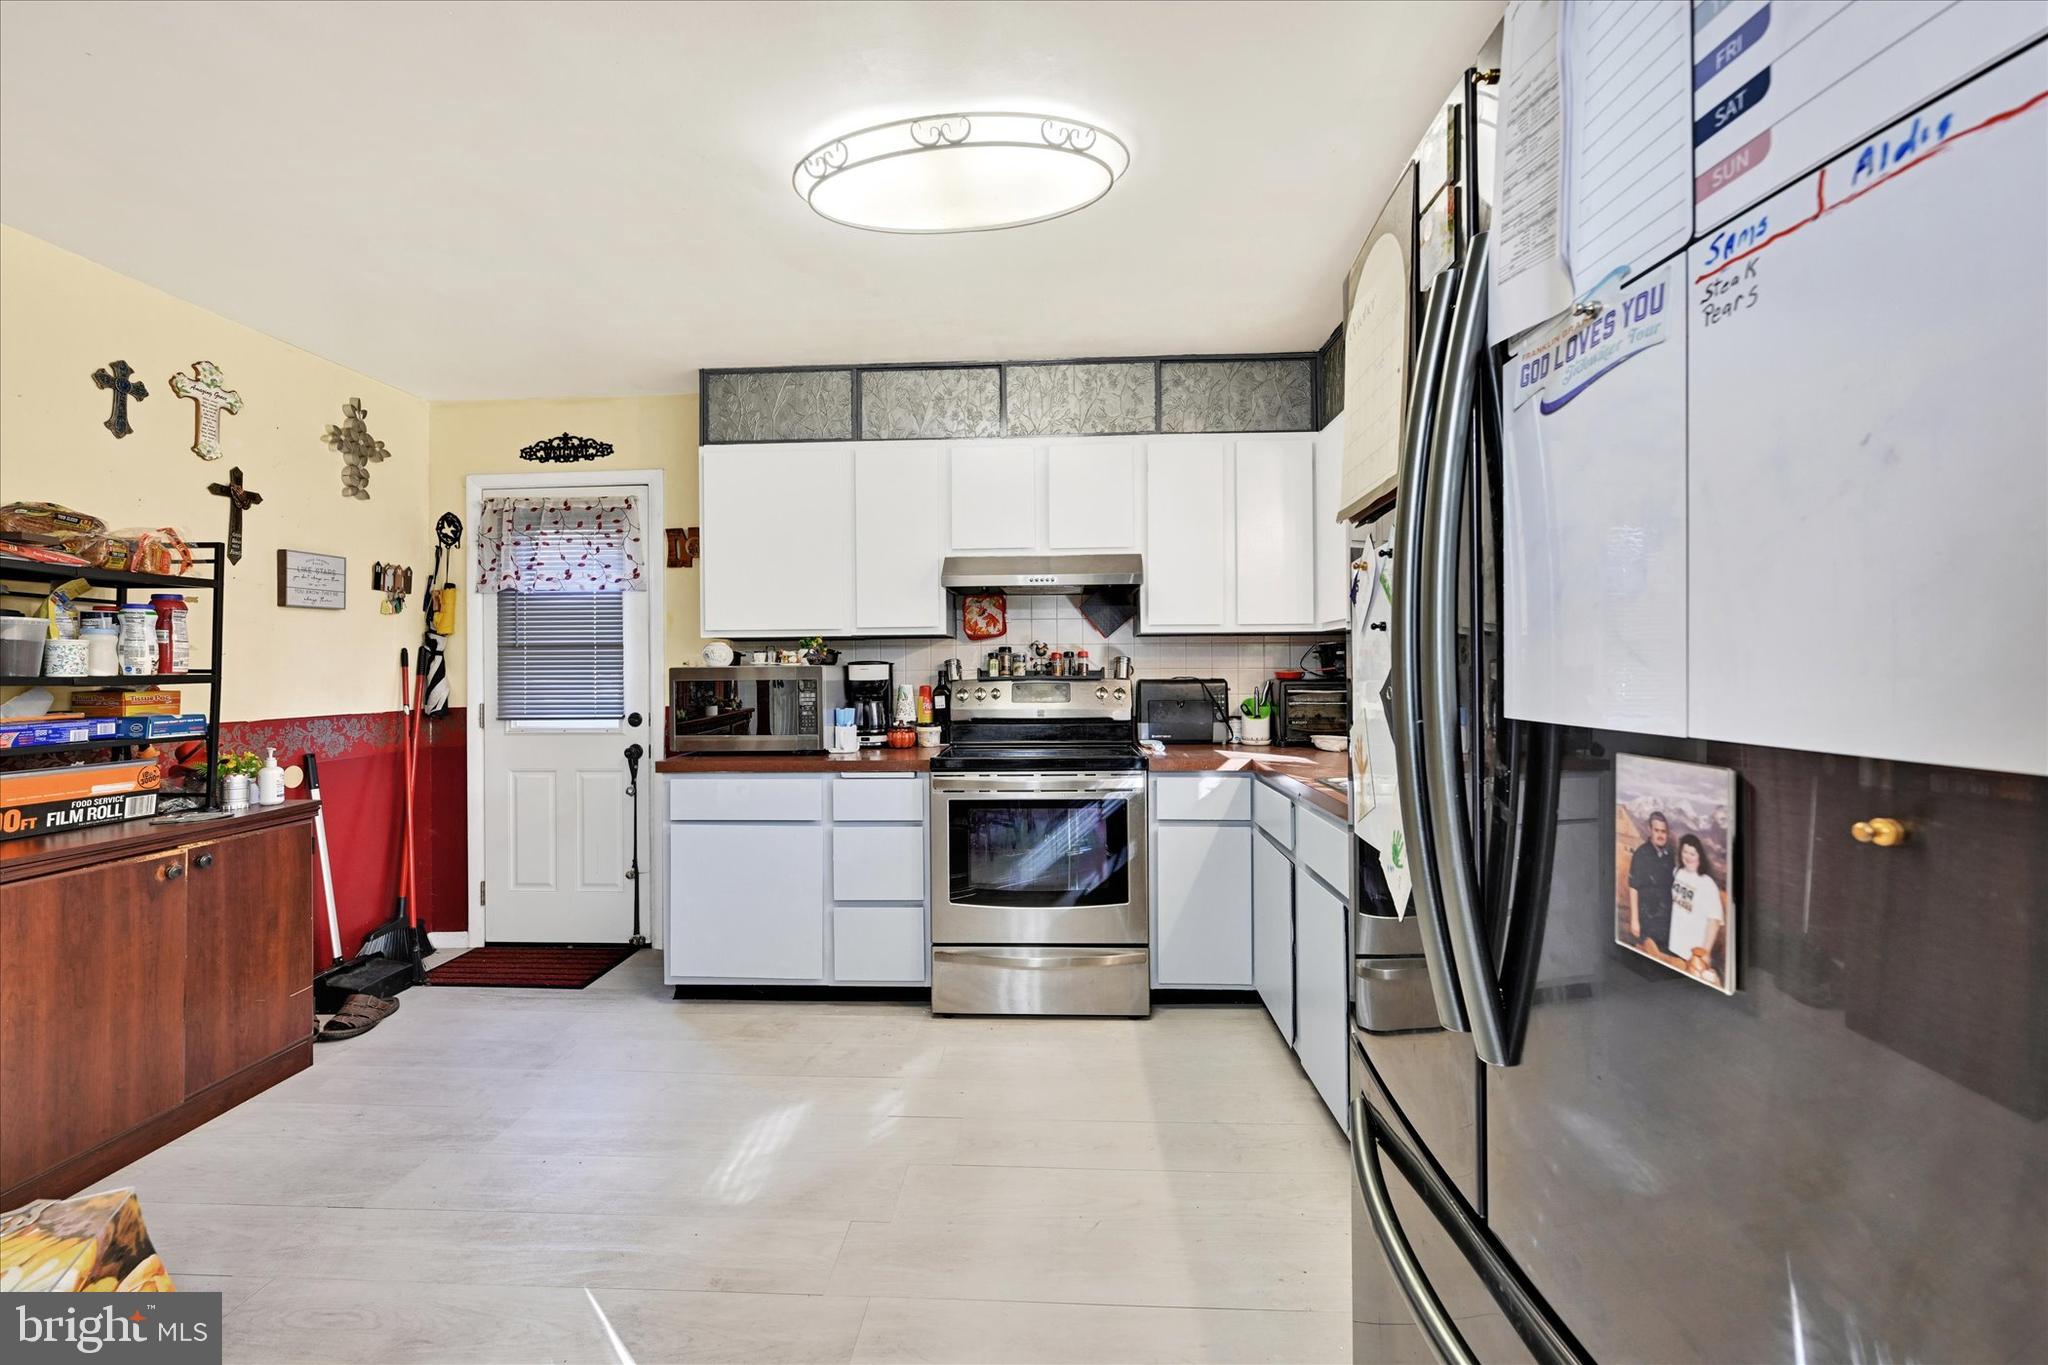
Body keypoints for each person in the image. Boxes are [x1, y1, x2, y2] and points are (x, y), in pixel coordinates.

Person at [1666, 833, 1727, 983]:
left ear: (1700, 856)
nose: (1688, 857)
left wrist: (1705, 952)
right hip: (1674, 945)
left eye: (1692, 853)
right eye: (1685, 852)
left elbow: (1714, 921)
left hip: (1694, 954)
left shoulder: (1707, 884)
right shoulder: (1678, 872)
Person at [1626, 811, 1675, 951]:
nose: (1660, 835)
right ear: (1650, 830)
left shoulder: (1670, 855)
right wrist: (1634, 920)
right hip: (1647, 920)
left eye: (1663, 831)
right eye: (1656, 830)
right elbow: (1633, 887)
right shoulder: (1641, 855)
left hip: (1666, 921)